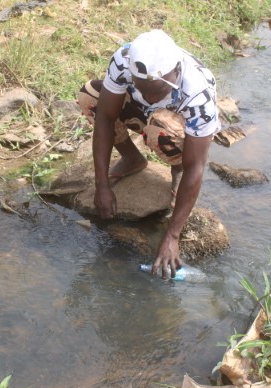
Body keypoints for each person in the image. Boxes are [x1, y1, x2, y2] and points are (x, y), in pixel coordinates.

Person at [77, 30, 221, 278]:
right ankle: (133, 159)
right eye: (144, 90)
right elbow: (105, 117)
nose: (151, 97)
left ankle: (176, 168)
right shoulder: (124, 59)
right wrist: (101, 185)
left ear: (175, 72)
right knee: (90, 96)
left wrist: (172, 236)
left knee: (161, 127)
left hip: (176, 130)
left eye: (157, 92)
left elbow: (197, 165)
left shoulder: (198, 93)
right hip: (143, 115)